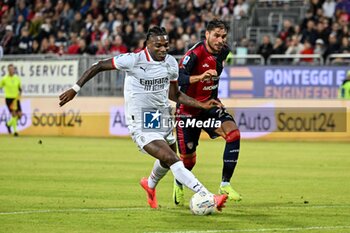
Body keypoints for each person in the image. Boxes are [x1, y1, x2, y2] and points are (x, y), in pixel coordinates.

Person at [59, 26, 228, 210]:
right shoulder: (133, 60)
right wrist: (75, 89)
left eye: (166, 45)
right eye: (158, 46)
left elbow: (176, 95)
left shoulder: (171, 63)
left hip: (160, 116)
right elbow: (98, 66)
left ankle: (150, 184)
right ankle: (206, 195)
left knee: (166, 160)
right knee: (173, 159)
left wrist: (202, 105)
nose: (163, 49)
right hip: (140, 121)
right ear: (147, 45)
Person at [173, 19, 242, 206]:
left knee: (233, 133)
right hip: (187, 111)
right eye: (217, 36)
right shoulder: (194, 54)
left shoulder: (224, 52)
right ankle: (178, 182)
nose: (221, 40)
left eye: (224, 36)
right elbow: (179, 79)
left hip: (210, 107)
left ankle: (225, 184)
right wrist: (200, 77)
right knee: (188, 161)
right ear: (207, 35)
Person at [0, 64, 22, 136]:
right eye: (10, 69)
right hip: (9, 99)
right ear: (8, 70)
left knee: (20, 115)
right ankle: (16, 132)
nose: (11, 70)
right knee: (14, 114)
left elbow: (20, 89)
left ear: (14, 70)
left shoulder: (17, 78)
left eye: (12, 69)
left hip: (16, 99)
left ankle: (8, 124)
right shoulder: (4, 79)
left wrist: (20, 94)